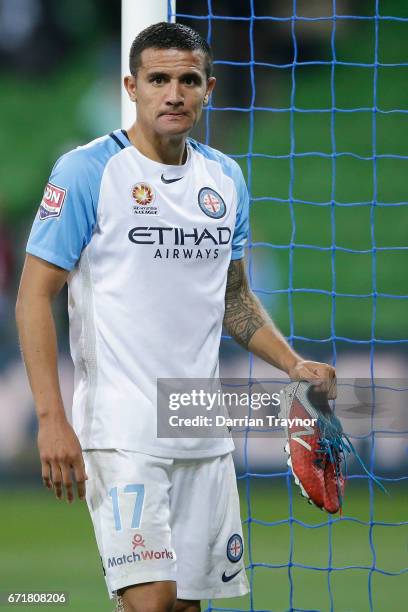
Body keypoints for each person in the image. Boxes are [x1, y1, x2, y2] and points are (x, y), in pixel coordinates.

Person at [16, 22, 336, 612]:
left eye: (188, 80)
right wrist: (51, 419)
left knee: (187, 607)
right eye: (158, 79)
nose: (174, 93)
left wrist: (295, 365)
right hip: (121, 428)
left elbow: (234, 300)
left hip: (202, 426)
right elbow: (34, 296)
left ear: (209, 89)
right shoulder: (88, 171)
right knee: (153, 601)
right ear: (131, 86)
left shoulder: (225, 180)